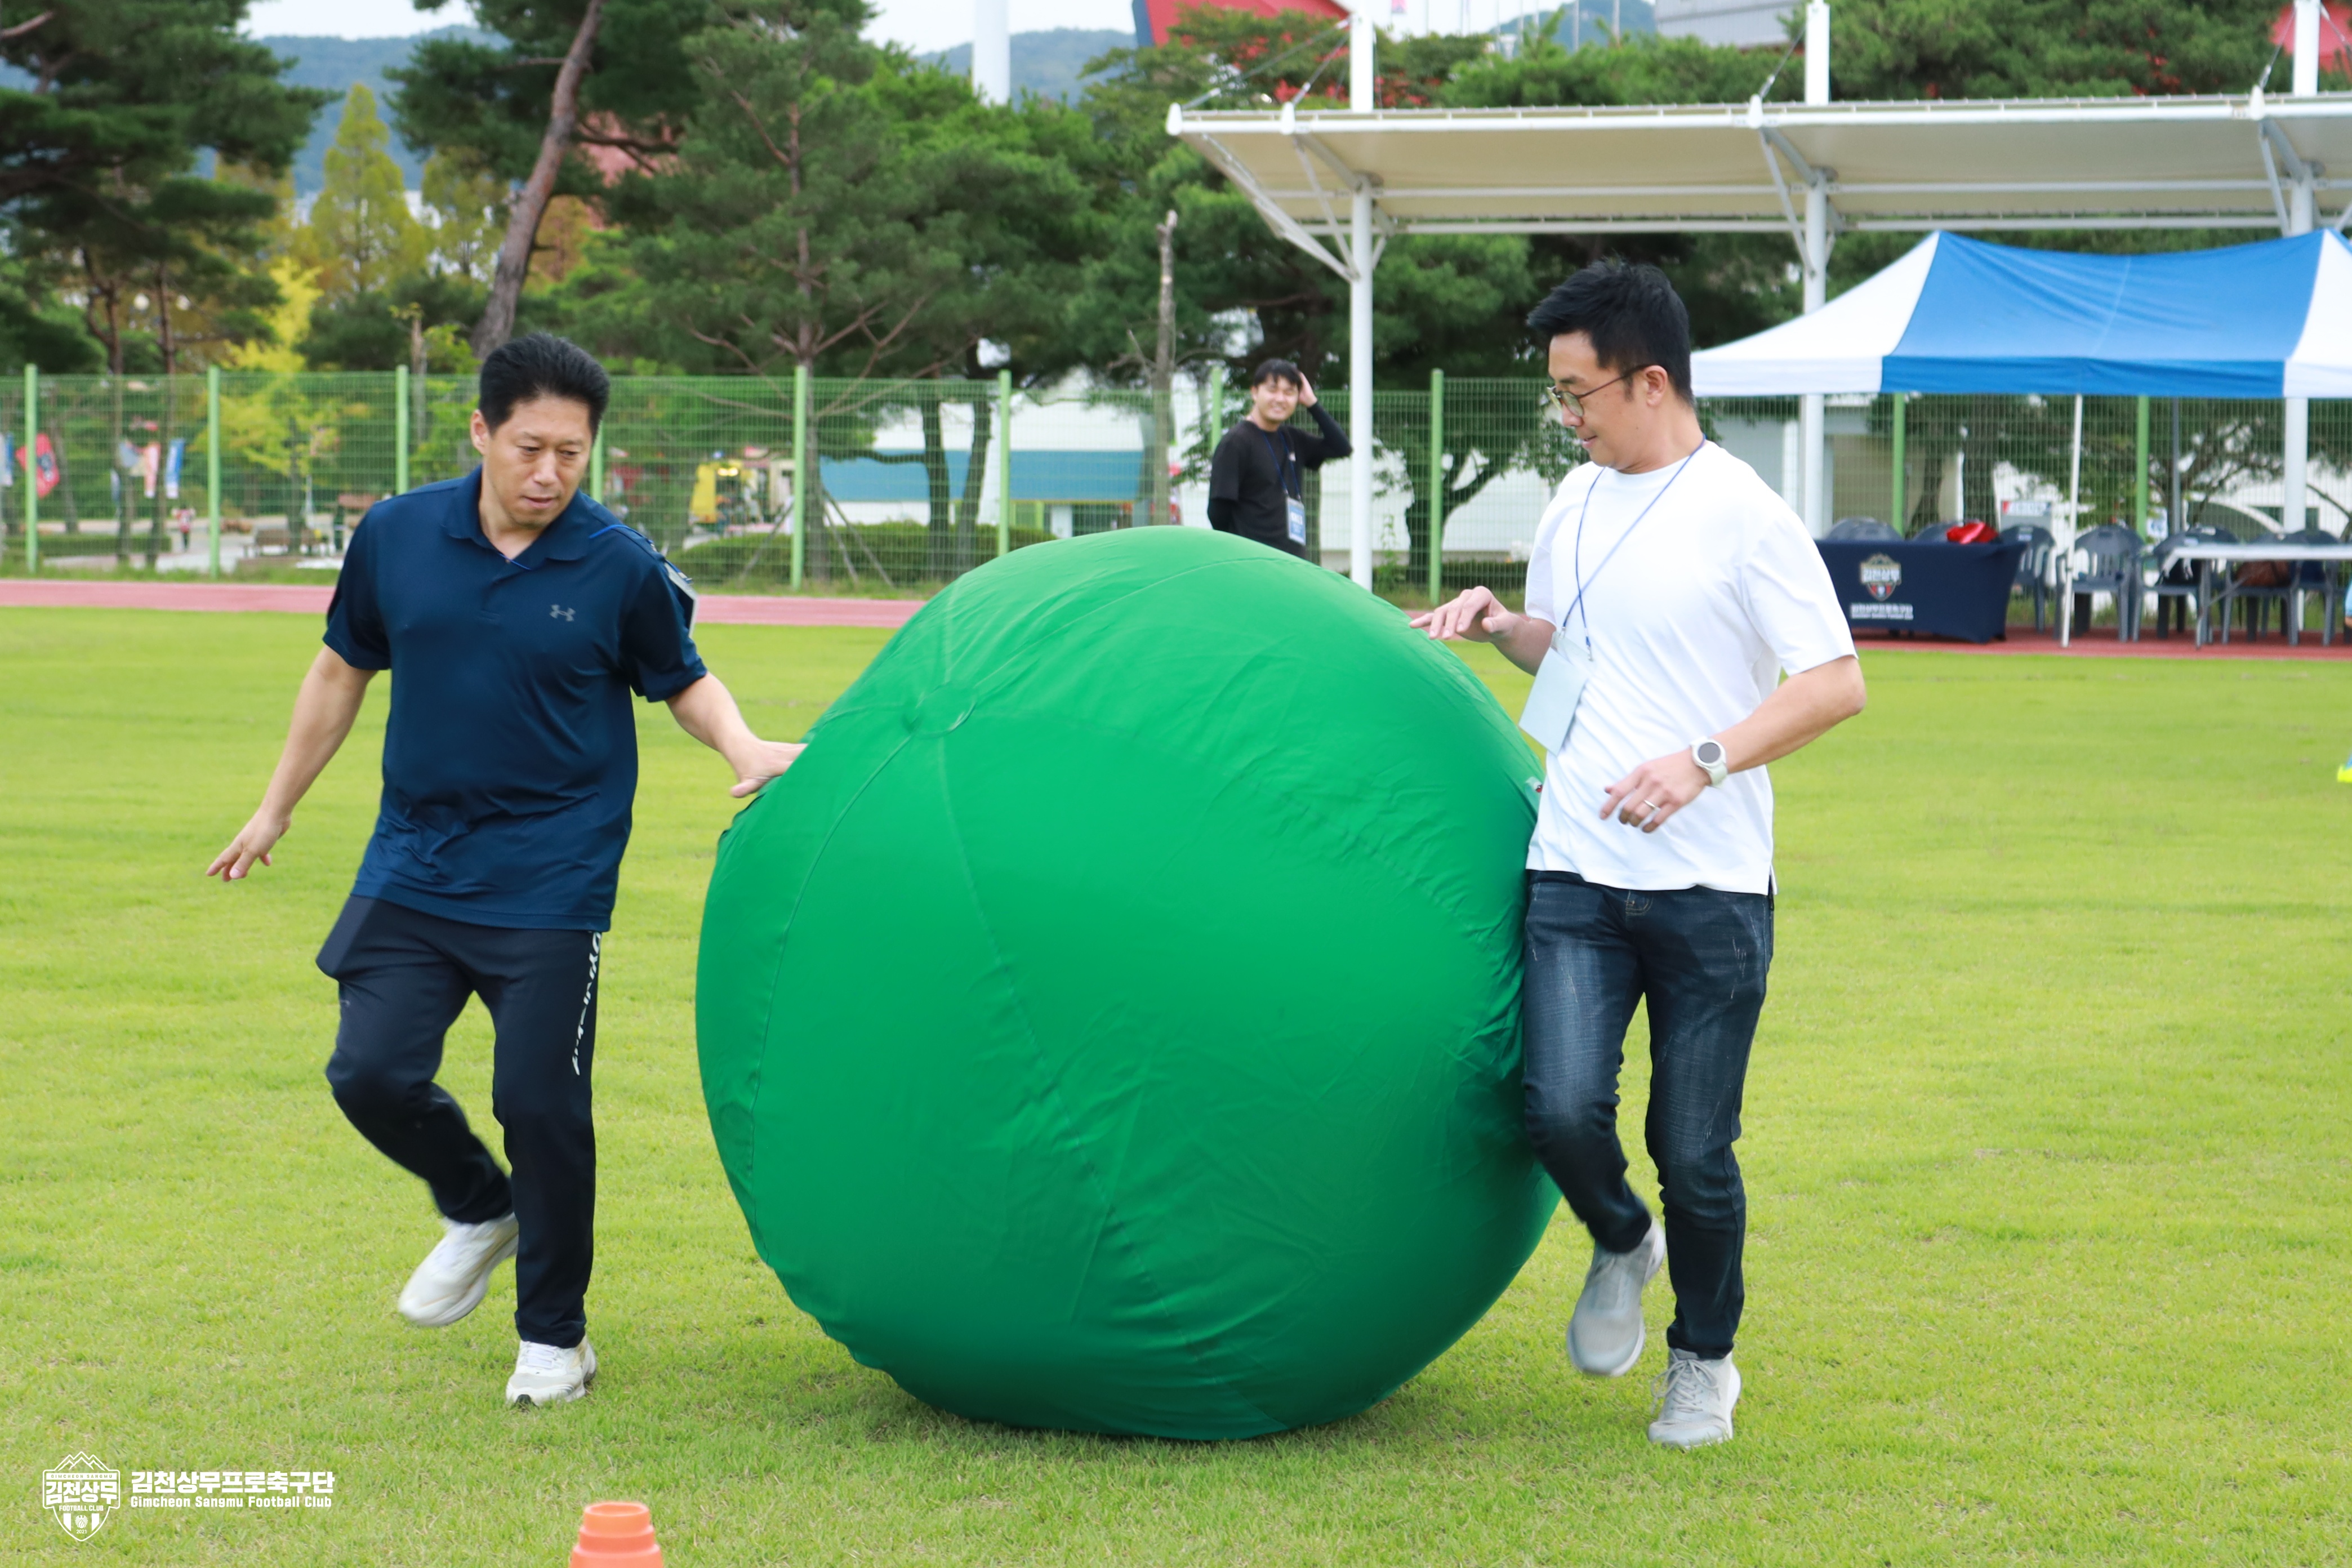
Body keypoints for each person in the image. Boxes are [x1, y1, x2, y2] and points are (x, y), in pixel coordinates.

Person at [205, 334, 804, 1409]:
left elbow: (682, 678)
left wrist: (744, 744)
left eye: (572, 452)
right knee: (369, 1072)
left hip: (553, 877)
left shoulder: (617, 563)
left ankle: (554, 1337)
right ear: (481, 431)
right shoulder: (396, 535)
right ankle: (481, 1202)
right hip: (415, 860)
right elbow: (340, 670)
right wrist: (275, 806)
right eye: (530, 447)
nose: (549, 472)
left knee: (540, 1101)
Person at [1411, 262, 1865, 1450]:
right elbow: (1574, 657)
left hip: (1710, 888)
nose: (1566, 416)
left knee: (1693, 1149)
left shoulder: (1745, 515)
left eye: (1579, 394)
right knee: (1558, 1109)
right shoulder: (1574, 501)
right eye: (1558, 394)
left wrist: (1703, 759)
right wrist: (1504, 626)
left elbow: (1836, 683)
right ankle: (1622, 1237)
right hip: (1574, 865)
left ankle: (1704, 1363)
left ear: (1650, 382)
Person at [1206, 359, 1350, 560]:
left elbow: (1341, 447)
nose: (1280, 399)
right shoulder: (1236, 442)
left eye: (1289, 392)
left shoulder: (1292, 438)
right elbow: (1218, 512)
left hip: (1291, 562)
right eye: (1272, 390)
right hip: (1253, 561)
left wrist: (1312, 403)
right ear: (1255, 392)